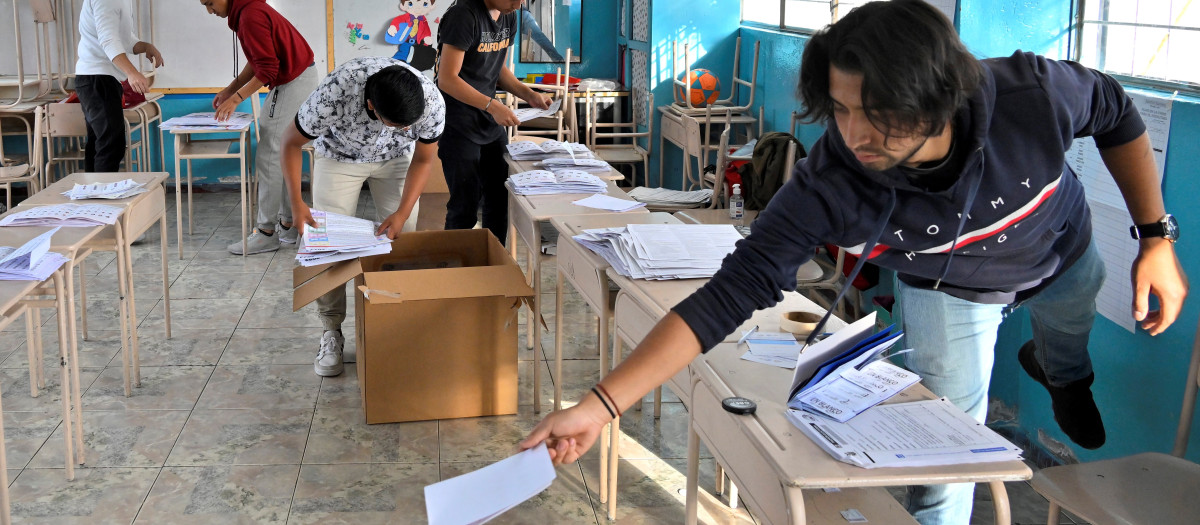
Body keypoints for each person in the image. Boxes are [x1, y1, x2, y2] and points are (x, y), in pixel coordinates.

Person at [519, 1, 1188, 524]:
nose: (855, 135)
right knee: (945, 455)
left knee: (1074, 309)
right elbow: (727, 295)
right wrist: (600, 407)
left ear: (942, 93)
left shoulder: (1030, 95)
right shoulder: (832, 180)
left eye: (878, 113)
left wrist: (1155, 238)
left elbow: (1116, 111)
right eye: (840, 111)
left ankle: (1061, 371)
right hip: (953, 287)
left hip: (1058, 242)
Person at [279, 57, 445, 377]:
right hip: (339, 157)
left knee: (403, 237)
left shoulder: (431, 101)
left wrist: (402, 213)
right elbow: (290, 142)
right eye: (399, 124)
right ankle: (331, 330)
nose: (408, 129)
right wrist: (297, 203)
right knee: (328, 243)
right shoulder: (335, 93)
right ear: (371, 106)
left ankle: (395, 321)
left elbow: (424, 160)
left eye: (410, 124)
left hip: (396, 160)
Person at [198, 0, 319, 255]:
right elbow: (258, 61)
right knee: (282, 150)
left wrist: (236, 99)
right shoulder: (249, 11)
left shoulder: (249, 15)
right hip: (298, 77)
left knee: (268, 155)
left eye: (209, 3)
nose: (209, 11)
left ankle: (265, 232)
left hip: (293, 81)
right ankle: (287, 223)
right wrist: (230, 89)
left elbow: (268, 68)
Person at [436, 0, 552, 244]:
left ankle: (493, 260)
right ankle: (454, 269)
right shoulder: (464, 15)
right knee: (465, 203)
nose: (518, 5)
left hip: (488, 119)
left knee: (500, 197)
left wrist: (528, 94)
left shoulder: (508, 15)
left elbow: (498, 68)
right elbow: (447, 79)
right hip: (458, 120)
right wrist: (493, 105)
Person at [75, 0, 164, 172]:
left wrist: (145, 46)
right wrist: (132, 73)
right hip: (97, 77)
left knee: (102, 142)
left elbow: (124, 39)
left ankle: (94, 193)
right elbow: (108, 40)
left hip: (101, 78)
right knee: (110, 143)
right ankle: (100, 194)